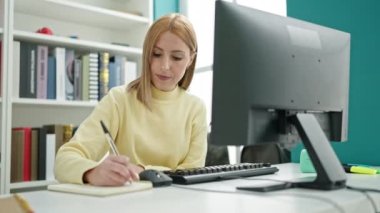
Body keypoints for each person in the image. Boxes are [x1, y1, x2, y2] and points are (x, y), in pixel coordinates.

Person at [54, 13, 208, 186]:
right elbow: (64, 160)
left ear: (190, 59)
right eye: (156, 54)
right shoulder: (119, 100)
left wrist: (144, 171)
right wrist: (92, 172)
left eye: (177, 57)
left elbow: (193, 172)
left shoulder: (196, 108)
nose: (165, 66)